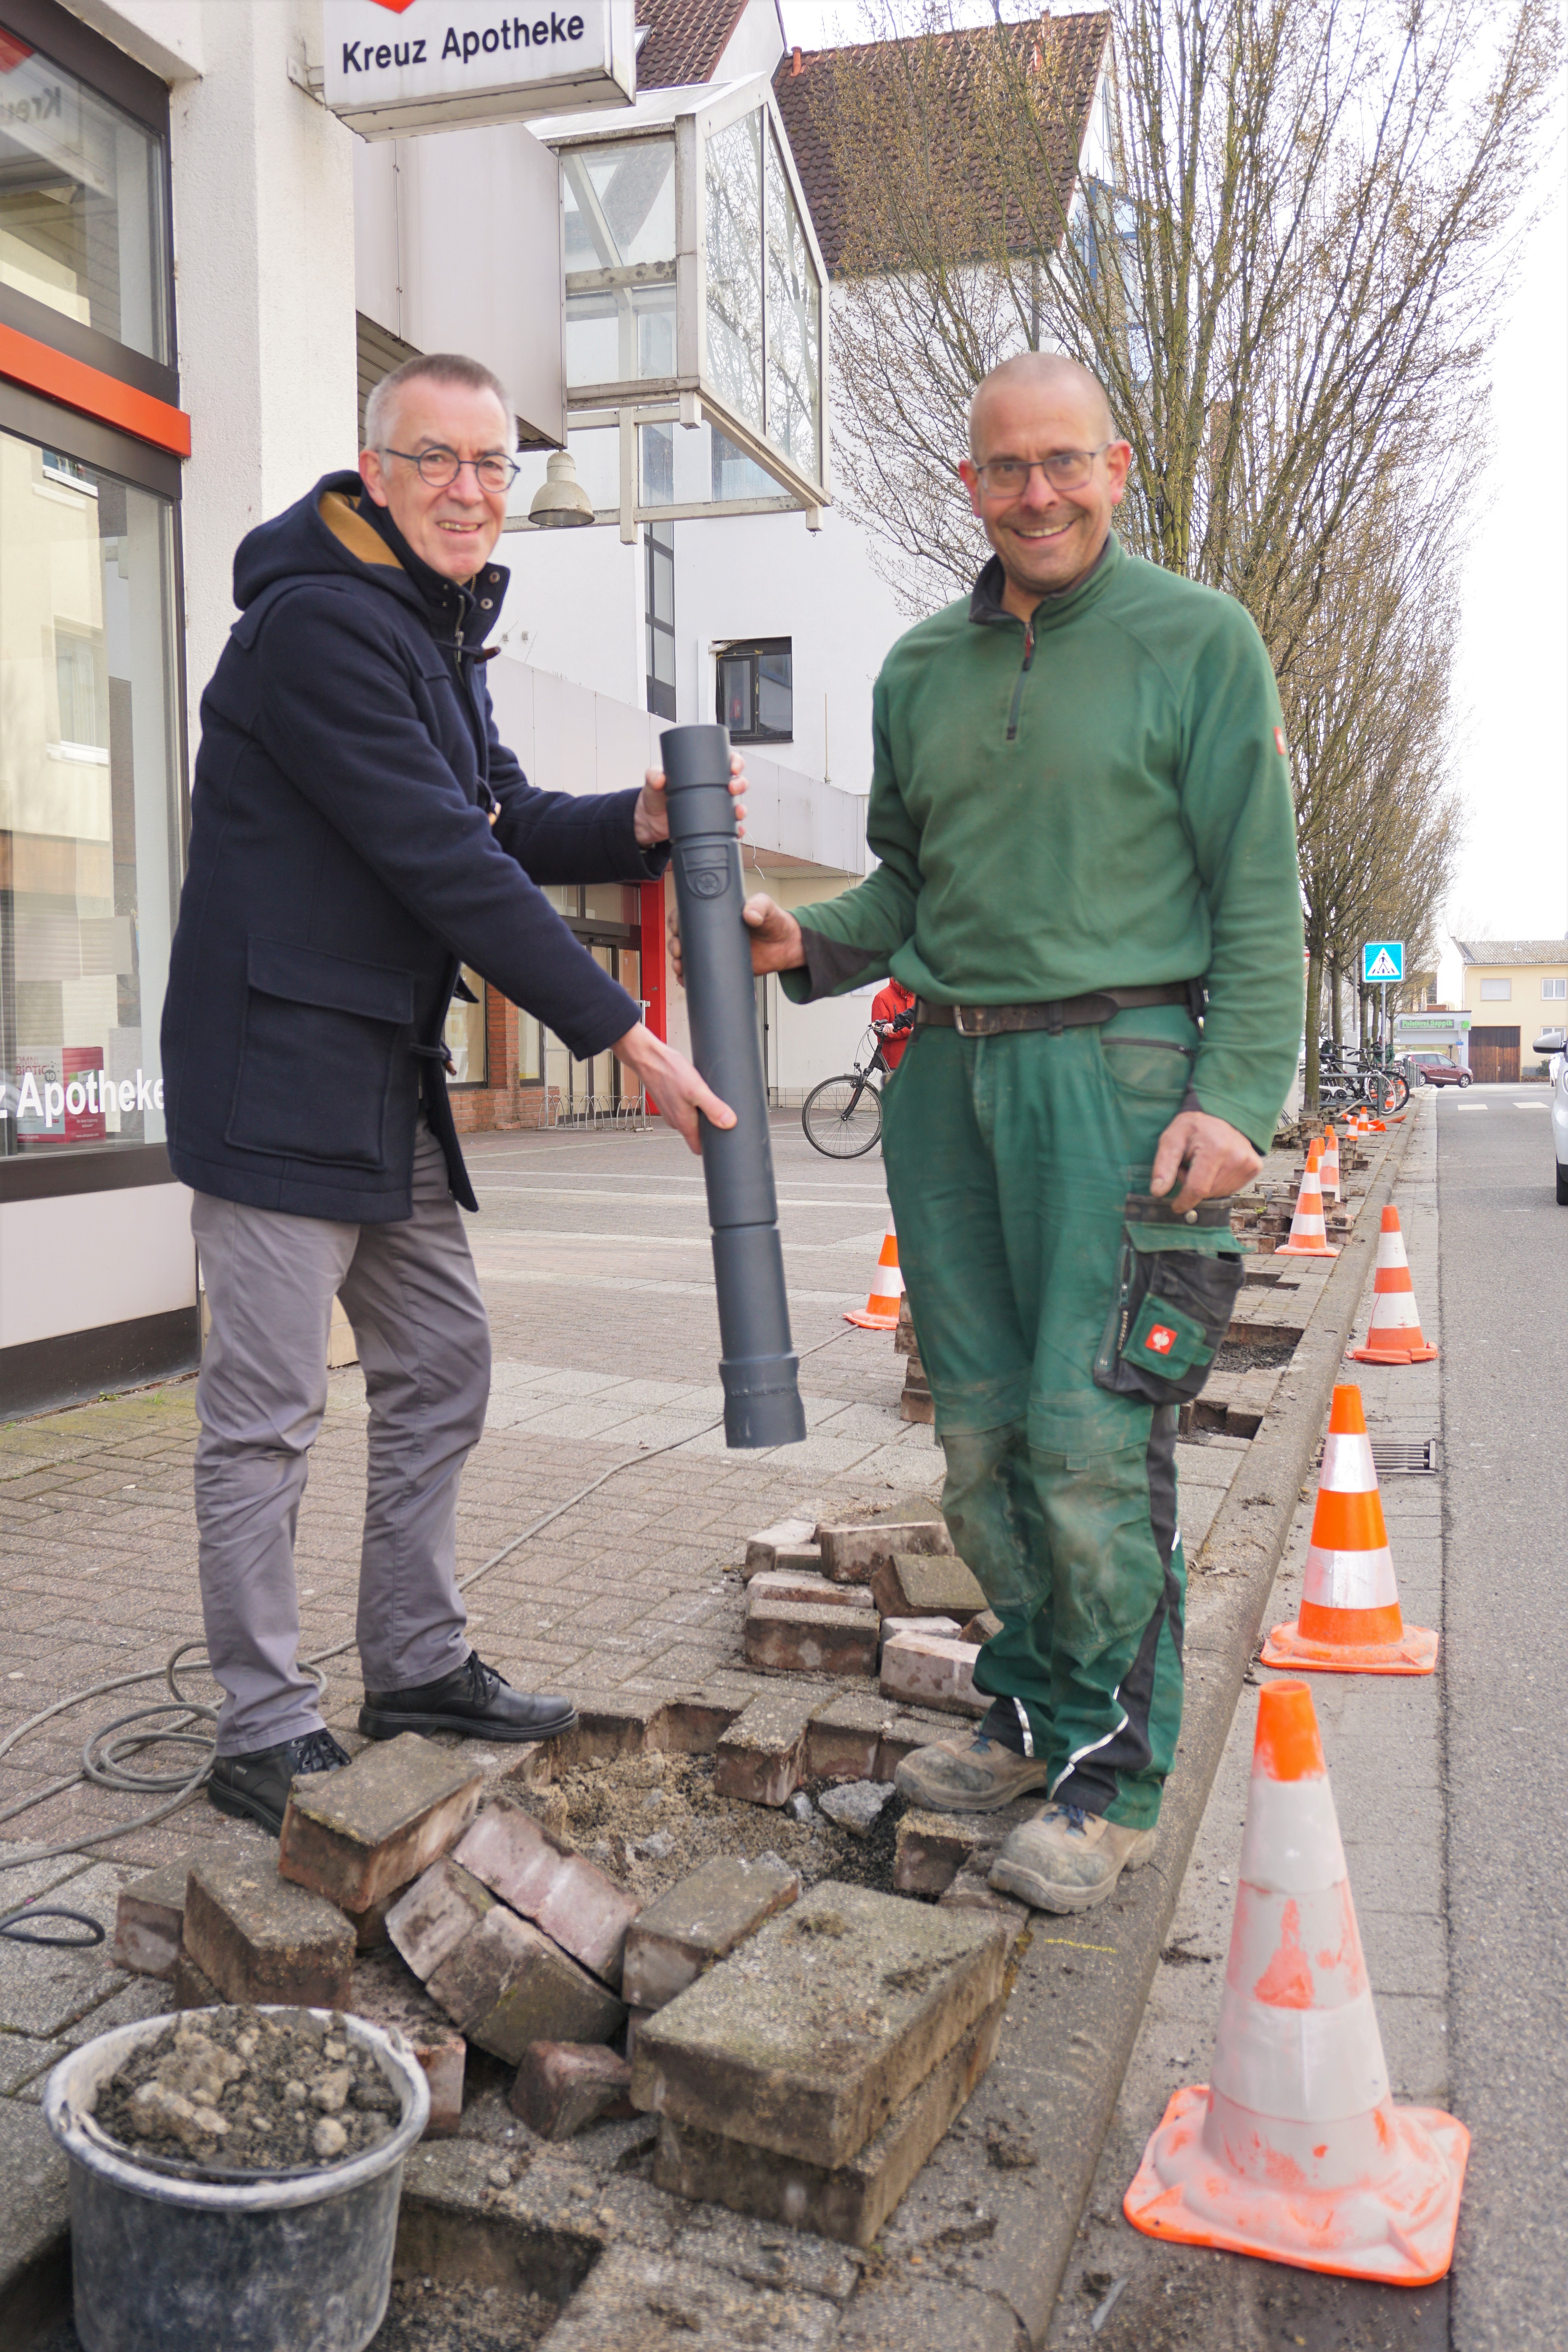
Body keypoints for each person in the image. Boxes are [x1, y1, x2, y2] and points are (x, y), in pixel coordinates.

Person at [727, 353, 1303, 1914]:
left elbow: (1258, 894)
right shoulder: (919, 669)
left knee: (1091, 1440)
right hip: (947, 1089)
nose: (1034, 494)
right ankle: (1033, 1705)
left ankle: (1112, 1775)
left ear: (1117, 467)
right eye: (1004, 471)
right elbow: (906, 891)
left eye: (1062, 464)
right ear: (969, 488)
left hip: (1121, 1083)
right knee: (981, 1449)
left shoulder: (1197, 642)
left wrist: (1236, 1097)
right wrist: (807, 939)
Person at [161, 352, 739, 1836]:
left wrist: (637, 818)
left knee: (442, 1363)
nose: (471, 490)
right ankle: (262, 1723)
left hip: (376, 1077)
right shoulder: (315, 630)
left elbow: (508, 816)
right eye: (438, 460)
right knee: (269, 1413)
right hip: (277, 1071)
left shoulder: (434, 627)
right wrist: (620, 1027)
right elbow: (443, 856)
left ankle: (412, 1663)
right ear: (373, 468)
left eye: (492, 466)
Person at [871, 976, 917, 1071]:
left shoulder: (916, 997)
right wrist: (909, 1031)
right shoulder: (882, 998)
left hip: (915, 1058)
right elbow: (882, 1031)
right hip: (894, 1062)